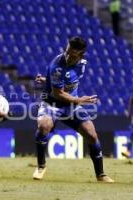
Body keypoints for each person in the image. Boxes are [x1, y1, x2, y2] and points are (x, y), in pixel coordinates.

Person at [33, 36, 114, 183]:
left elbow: (66, 81)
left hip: (71, 105)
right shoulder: (57, 65)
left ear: (81, 54)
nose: (68, 56)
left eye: (73, 54)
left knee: (92, 134)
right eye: (67, 51)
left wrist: (47, 80)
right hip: (52, 103)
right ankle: (41, 166)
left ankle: (101, 174)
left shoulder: (82, 64)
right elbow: (58, 93)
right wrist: (80, 100)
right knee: (44, 126)